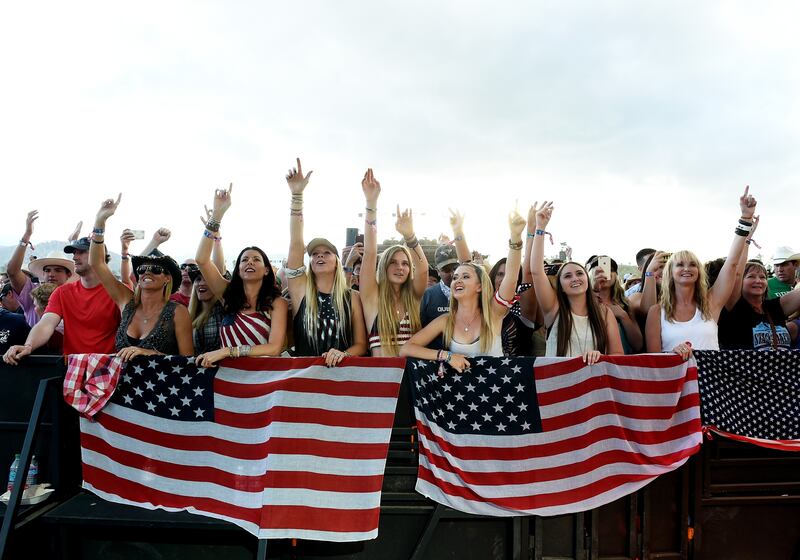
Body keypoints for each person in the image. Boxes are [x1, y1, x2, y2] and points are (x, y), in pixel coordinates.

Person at [400, 207, 526, 371]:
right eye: (455, 277)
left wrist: (516, 238)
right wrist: (446, 356)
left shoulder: (494, 313)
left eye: (465, 277)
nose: (457, 280)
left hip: (495, 394)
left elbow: (511, 276)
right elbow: (406, 349)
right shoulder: (446, 320)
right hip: (460, 394)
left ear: (480, 286)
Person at [645, 187, 758, 358]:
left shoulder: (711, 303)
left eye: (692, 264)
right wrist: (672, 353)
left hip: (711, 383)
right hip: (675, 382)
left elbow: (732, 264)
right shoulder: (656, 312)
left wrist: (746, 218)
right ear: (670, 273)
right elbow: (652, 362)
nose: (686, 268)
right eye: (680, 264)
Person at [89, 195, 193, 360]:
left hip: (161, 384)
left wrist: (153, 354)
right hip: (121, 384)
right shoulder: (126, 302)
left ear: (167, 278)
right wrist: (100, 221)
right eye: (143, 268)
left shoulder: (177, 312)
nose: (147, 272)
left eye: (156, 269)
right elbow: (97, 263)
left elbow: (188, 361)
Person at [194, 185, 289, 367]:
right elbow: (202, 259)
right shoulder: (227, 294)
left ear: (267, 270)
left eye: (256, 259)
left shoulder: (277, 303)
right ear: (238, 269)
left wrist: (228, 352)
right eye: (244, 260)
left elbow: (274, 348)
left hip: (263, 381)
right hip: (227, 380)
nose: (249, 262)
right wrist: (216, 218)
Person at [285, 159, 367, 365]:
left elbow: (361, 344)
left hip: (342, 377)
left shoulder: (352, 297)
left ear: (338, 262)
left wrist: (344, 354)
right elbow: (295, 244)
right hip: (305, 375)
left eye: (326, 252)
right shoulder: (301, 290)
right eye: (314, 254)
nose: (319, 256)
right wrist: (297, 196)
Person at [3, 235, 121, 364]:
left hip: (109, 368)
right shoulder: (62, 293)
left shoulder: (119, 292)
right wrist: (28, 346)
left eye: (81, 252)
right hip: (72, 369)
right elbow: (46, 324)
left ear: (99, 255)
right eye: (74, 253)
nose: (75, 257)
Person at [530, 202, 623, 363]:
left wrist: (600, 357)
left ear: (587, 279)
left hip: (593, 385)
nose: (575, 278)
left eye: (580, 273)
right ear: (561, 287)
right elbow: (537, 271)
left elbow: (618, 354)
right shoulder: (554, 308)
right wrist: (540, 228)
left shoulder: (604, 313)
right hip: (558, 384)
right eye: (567, 276)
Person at [358, 168, 429, 356]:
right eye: (394, 262)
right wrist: (371, 203)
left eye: (405, 263)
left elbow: (422, 269)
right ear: (384, 266)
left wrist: (410, 236)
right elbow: (371, 253)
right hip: (381, 380)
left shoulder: (413, 297)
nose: (400, 267)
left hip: (411, 378)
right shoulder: (372, 296)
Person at [6, 210, 76, 326]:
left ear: (68, 274)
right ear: (42, 274)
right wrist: (26, 236)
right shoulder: (32, 293)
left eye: (58, 270)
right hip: (32, 345)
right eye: (47, 270)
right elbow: (12, 272)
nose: (51, 274)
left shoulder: (74, 296)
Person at [588, 255, 643, 353]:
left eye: (610, 269)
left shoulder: (624, 304)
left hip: (620, 363)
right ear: (591, 274)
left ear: (616, 276)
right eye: (599, 270)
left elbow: (638, 345)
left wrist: (623, 316)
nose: (605, 273)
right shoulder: (583, 302)